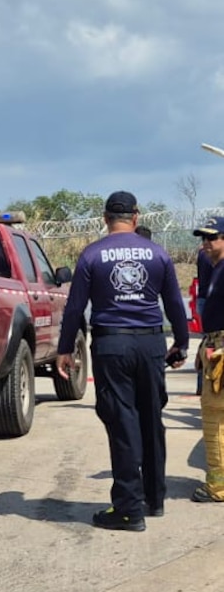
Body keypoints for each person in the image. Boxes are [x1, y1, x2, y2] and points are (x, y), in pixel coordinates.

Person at [56, 191, 188, 532]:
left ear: (104, 218)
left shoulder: (93, 254)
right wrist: (182, 344)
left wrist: (65, 347)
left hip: (112, 343)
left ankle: (129, 509)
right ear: (136, 216)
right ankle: (154, 498)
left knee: (122, 422)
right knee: (151, 419)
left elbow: (75, 308)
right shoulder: (158, 253)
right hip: (150, 342)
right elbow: (174, 304)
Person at [191, 217, 224, 503]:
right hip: (214, 344)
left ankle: (218, 487)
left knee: (216, 420)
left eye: (212, 238)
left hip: (221, 350)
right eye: (203, 238)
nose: (206, 243)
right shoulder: (214, 268)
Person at [196, 247, 213, 394]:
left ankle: (201, 385)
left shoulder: (202, 253)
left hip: (203, 298)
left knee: (208, 341)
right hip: (212, 301)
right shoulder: (213, 255)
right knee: (213, 343)